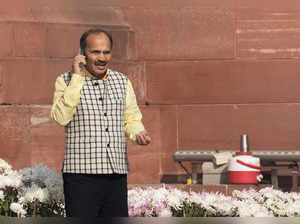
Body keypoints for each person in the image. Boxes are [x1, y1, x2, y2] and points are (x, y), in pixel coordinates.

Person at [50, 28, 151, 217]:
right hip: (81, 176)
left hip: (116, 175)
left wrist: (138, 133)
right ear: (82, 54)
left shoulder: (122, 81)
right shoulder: (65, 81)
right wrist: (77, 78)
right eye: (95, 52)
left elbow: (131, 118)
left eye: (106, 52)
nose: (102, 58)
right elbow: (61, 117)